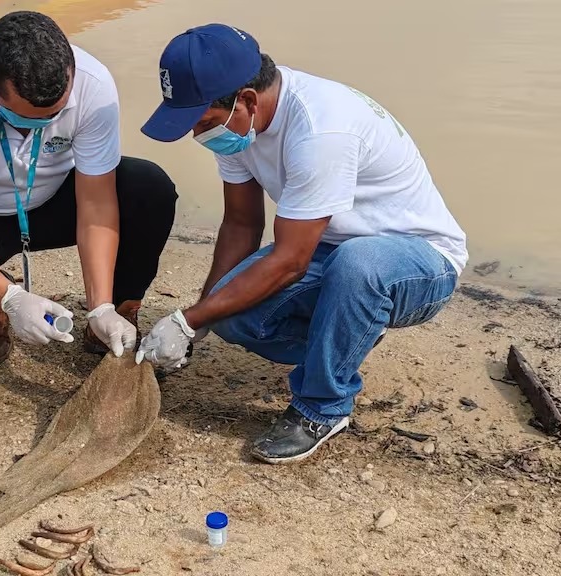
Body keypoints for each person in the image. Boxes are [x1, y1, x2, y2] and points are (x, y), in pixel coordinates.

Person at [136, 24, 468, 465]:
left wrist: (187, 319)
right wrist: (198, 319)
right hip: (331, 249)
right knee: (232, 316)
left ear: (247, 100)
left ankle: (323, 407)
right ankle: (351, 330)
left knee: (359, 265)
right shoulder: (237, 124)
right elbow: (240, 224)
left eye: (203, 123)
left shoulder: (320, 130)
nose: (198, 135)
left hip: (418, 260)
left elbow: (291, 260)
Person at [0, 11, 177, 368]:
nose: (40, 126)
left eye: (52, 116)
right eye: (25, 117)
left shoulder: (93, 84)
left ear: (71, 73)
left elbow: (96, 202)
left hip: (55, 200)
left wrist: (101, 304)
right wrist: (11, 296)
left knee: (149, 189)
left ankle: (115, 313)